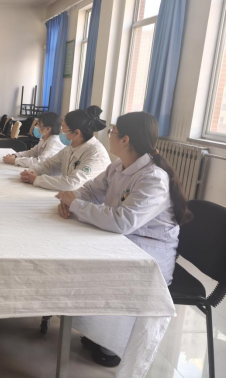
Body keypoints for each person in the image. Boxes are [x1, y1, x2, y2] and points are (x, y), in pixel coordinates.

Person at [55, 111, 192, 367]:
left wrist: (75, 205)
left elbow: (122, 221)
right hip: (125, 239)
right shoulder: (118, 166)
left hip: (148, 254)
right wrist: (71, 200)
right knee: (78, 254)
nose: (109, 135)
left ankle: (113, 342)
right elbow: (90, 190)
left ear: (125, 139)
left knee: (97, 267)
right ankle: (97, 329)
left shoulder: (153, 179)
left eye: (112, 132)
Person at [20, 106, 110, 191]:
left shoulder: (96, 154)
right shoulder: (70, 148)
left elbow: (72, 183)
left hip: (88, 201)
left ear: (76, 133)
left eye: (63, 127)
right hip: (71, 196)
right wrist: (31, 171)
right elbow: (49, 164)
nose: (60, 131)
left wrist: (36, 179)